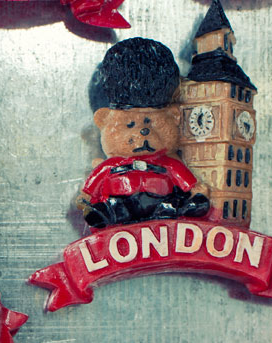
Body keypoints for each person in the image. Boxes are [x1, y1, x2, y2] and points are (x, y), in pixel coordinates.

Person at [78, 37, 210, 229]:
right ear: (103, 119)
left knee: (170, 206)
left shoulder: (168, 163)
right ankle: (104, 214)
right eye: (129, 124)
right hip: (121, 203)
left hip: (160, 202)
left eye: (150, 123)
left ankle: (179, 209)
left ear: (175, 116)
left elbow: (184, 178)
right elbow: (95, 180)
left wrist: (196, 190)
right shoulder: (112, 164)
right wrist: (86, 196)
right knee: (113, 208)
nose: (142, 132)